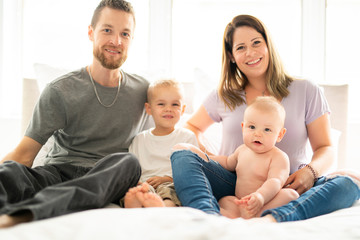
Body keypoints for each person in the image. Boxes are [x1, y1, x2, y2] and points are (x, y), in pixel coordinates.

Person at [170, 14, 360, 221]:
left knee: (349, 183)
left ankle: (276, 216)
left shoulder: (306, 90)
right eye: (240, 47)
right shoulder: (224, 95)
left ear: (268, 45)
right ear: (232, 56)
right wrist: (207, 155)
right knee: (182, 154)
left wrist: (310, 173)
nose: (250, 53)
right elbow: (191, 127)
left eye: (256, 43)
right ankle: (208, 216)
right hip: (234, 182)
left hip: (288, 185)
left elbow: (326, 147)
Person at [0, 0, 150, 228]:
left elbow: (165, 135)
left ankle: (24, 215)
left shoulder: (144, 92)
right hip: (58, 174)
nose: (116, 41)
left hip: (106, 178)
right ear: (91, 33)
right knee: (10, 172)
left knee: (129, 163)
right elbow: (24, 155)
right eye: (107, 30)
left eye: (125, 34)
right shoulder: (60, 90)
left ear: (132, 39)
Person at [215, 96, 299, 219]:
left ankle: (258, 213)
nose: (258, 133)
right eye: (252, 127)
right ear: (243, 127)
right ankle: (239, 212)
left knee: (291, 195)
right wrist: (206, 156)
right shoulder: (242, 150)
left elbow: (275, 181)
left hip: (266, 201)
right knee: (225, 199)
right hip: (241, 200)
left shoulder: (279, 157)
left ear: (280, 134)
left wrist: (260, 196)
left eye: (267, 129)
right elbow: (227, 162)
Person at [124, 79, 198, 208]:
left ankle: (163, 207)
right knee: (136, 192)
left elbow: (192, 172)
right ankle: (139, 203)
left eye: (175, 104)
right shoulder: (140, 139)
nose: (168, 109)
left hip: (171, 184)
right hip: (145, 184)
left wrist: (166, 179)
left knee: (170, 193)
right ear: (149, 108)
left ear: (183, 109)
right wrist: (139, 184)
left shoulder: (187, 137)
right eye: (161, 104)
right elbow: (132, 169)